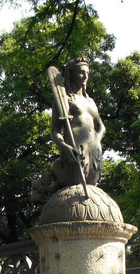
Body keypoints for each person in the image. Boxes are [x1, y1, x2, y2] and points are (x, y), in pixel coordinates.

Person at [50, 57, 106, 189]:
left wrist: (97, 138)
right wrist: (64, 146)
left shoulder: (91, 101)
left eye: (87, 72)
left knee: (91, 184)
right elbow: (55, 131)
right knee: (75, 183)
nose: (85, 76)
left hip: (94, 148)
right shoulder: (64, 100)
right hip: (75, 147)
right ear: (71, 74)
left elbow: (101, 126)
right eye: (81, 72)